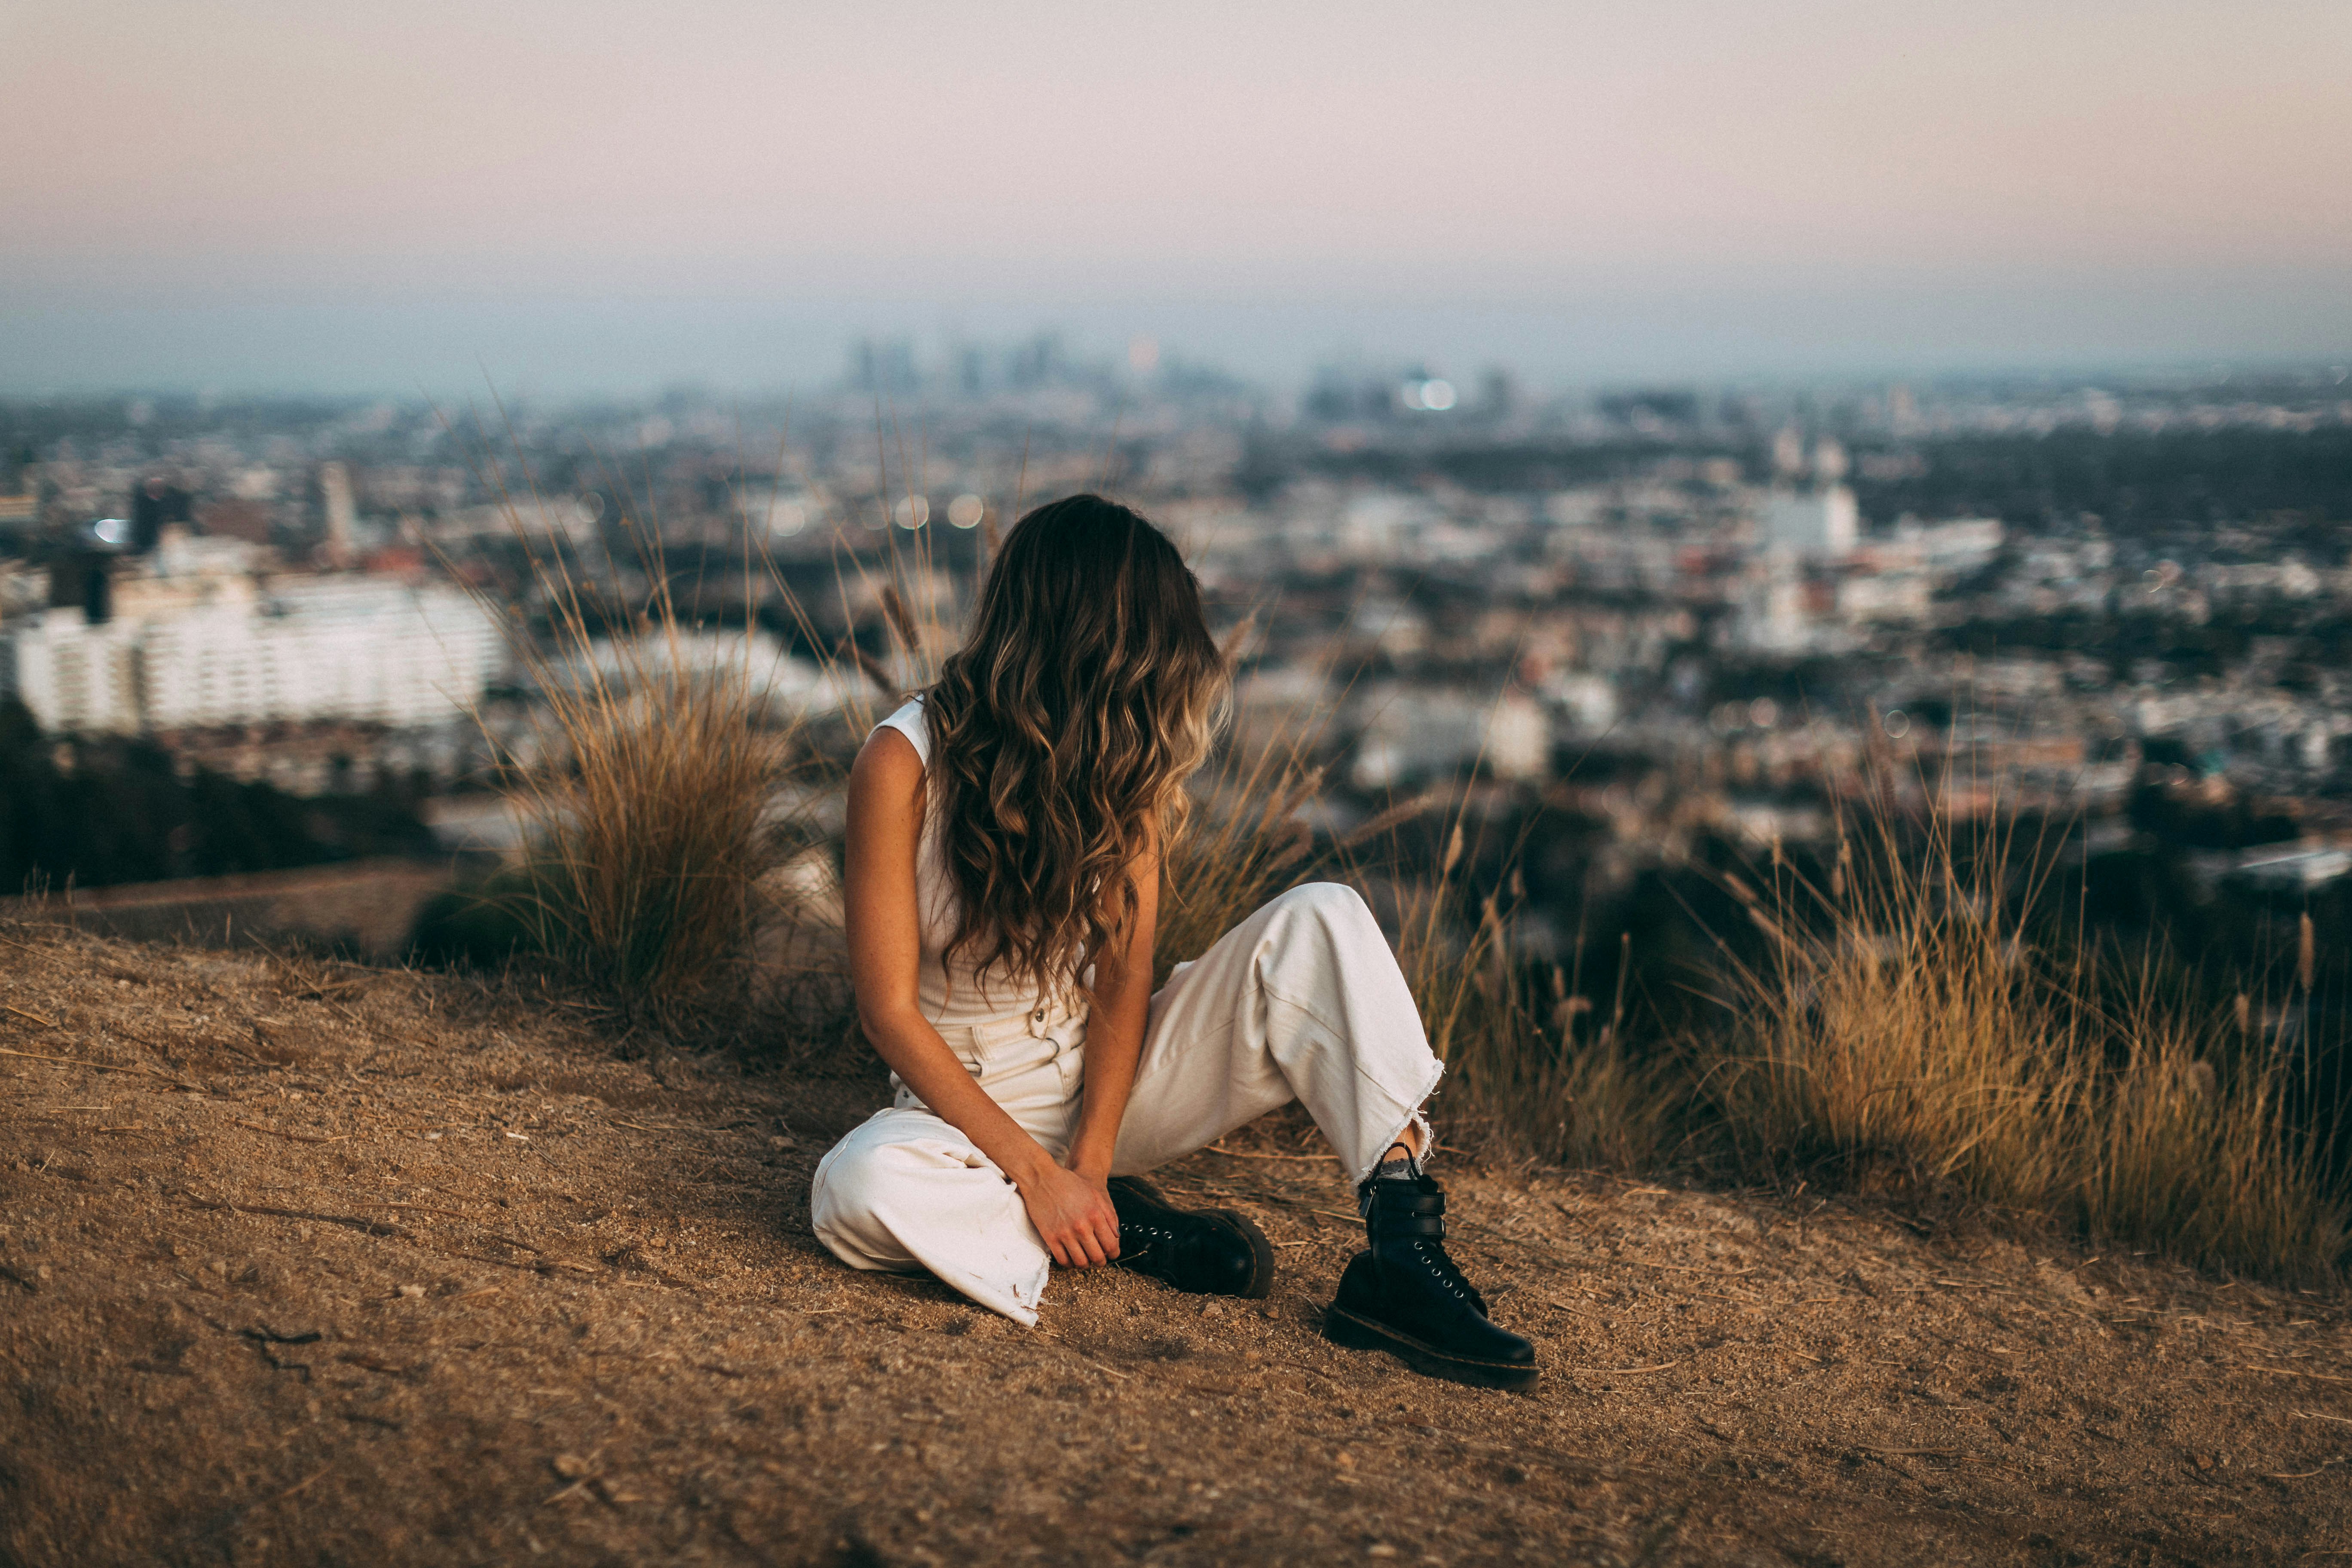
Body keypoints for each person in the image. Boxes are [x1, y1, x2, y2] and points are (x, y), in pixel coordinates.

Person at [810, 494, 1535, 1390]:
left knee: (1325, 916)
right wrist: (1040, 1177)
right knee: (856, 1193)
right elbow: (886, 1012)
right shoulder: (902, 761)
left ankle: (1398, 1251)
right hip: (963, 1117)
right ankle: (1124, 1233)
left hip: (1116, 1093)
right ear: (1092, 640)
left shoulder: (1122, 759)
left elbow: (1124, 982)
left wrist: (1093, 1163)